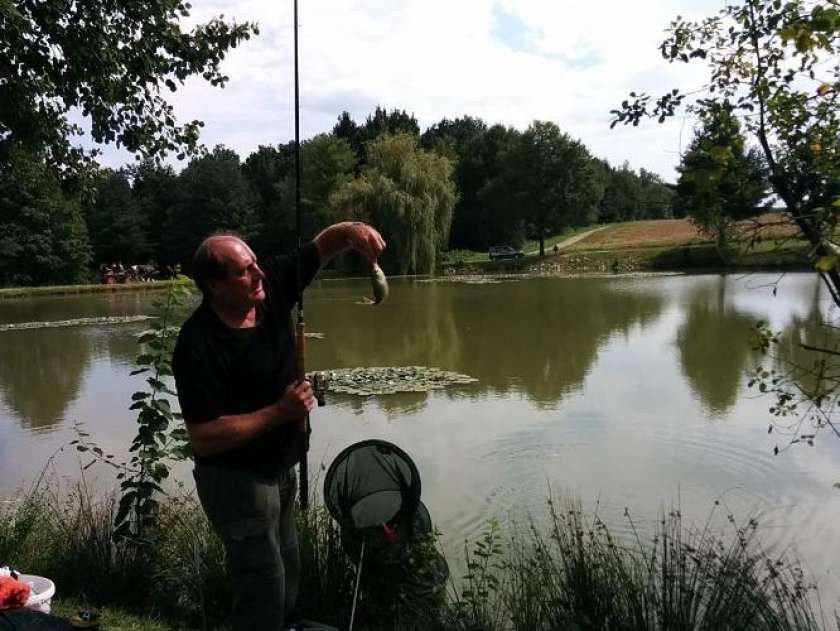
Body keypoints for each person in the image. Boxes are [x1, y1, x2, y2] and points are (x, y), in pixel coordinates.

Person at [173, 222, 386, 631]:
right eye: (244, 271)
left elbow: (321, 246)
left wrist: (354, 232)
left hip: (280, 468)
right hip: (236, 482)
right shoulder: (198, 345)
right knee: (262, 585)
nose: (259, 274)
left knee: (288, 568)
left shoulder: (268, 293)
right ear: (214, 287)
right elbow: (204, 436)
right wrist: (280, 412)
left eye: (256, 263)